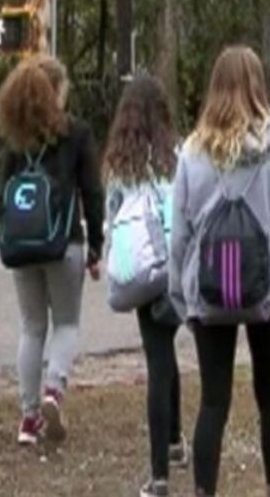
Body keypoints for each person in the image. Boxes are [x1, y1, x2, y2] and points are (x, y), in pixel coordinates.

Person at [168, 46, 270, 497]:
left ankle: (204, 492)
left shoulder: (191, 154)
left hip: (210, 288)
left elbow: (180, 233)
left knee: (213, 401)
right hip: (265, 288)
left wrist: (180, 294)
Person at [0, 55, 104, 445]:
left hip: (22, 244)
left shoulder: (16, 139)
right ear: (55, 91)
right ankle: (54, 390)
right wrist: (96, 247)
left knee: (31, 328)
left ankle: (28, 419)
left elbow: (3, 196)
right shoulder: (76, 134)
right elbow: (92, 191)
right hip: (64, 242)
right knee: (67, 323)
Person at [100, 75, 188, 497]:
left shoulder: (120, 164)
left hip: (142, 268)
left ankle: (159, 475)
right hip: (176, 264)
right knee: (167, 348)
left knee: (156, 356)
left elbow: (111, 217)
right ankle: (174, 440)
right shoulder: (177, 155)